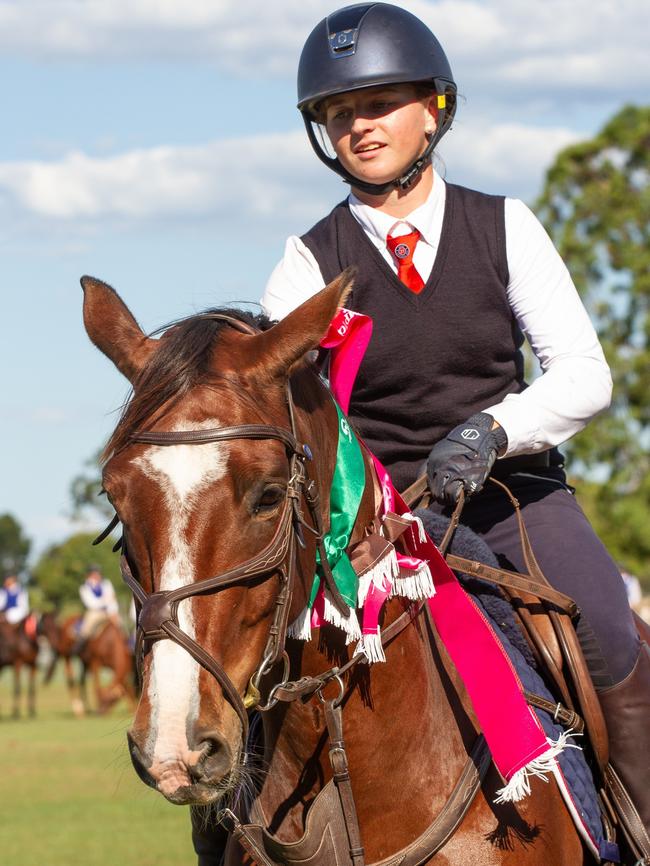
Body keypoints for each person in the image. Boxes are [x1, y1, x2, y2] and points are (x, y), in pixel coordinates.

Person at [260, 1, 650, 838]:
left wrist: (493, 431)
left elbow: (584, 374)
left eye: (376, 104)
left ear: (435, 107)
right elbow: (279, 402)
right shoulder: (306, 261)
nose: (357, 126)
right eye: (336, 113)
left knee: (612, 633)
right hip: (373, 522)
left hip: (514, 499)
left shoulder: (504, 225)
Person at [77, 565, 120, 644]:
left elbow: (113, 600)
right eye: (94, 574)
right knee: (86, 629)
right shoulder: (84, 588)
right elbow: (91, 604)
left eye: (98, 573)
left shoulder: (106, 583)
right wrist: (106, 600)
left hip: (110, 611)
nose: (97, 576)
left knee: (120, 627)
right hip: (94, 612)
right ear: (89, 575)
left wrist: (112, 611)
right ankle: (80, 646)